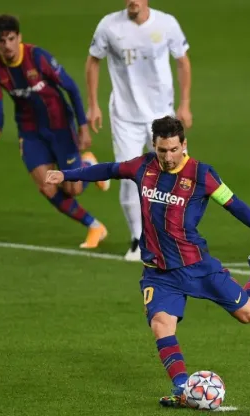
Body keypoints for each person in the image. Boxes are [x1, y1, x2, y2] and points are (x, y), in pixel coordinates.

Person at [45, 116, 250, 407]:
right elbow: (109, 169)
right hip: (158, 272)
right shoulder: (142, 166)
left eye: (174, 149)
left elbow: (235, 206)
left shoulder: (203, 175)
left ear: (184, 145)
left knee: (249, 314)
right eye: (162, 150)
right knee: (161, 324)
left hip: (197, 266)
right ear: (155, 145)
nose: (168, 157)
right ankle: (183, 390)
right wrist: (66, 175)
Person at [0, 14, 109, 249]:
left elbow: (70, 87)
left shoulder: (37, 57)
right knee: (47, 186)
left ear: (19, 37)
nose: (7, 45)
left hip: (60, 126)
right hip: (30, 132)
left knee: (73, 189)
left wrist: (82, 126)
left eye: (11, 39)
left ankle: (89, 165)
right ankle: (94, 226)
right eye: (2, 41)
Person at [86, 0, 192, 260]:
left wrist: (185, 104)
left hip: (162, 113)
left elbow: (183, 62)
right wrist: (93, 105)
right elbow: (93, 61)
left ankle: (175, 236)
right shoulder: (109, 25)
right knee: (129, 176)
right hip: (125, 115)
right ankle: (138, 240)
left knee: (175, 174)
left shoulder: (167, 23)